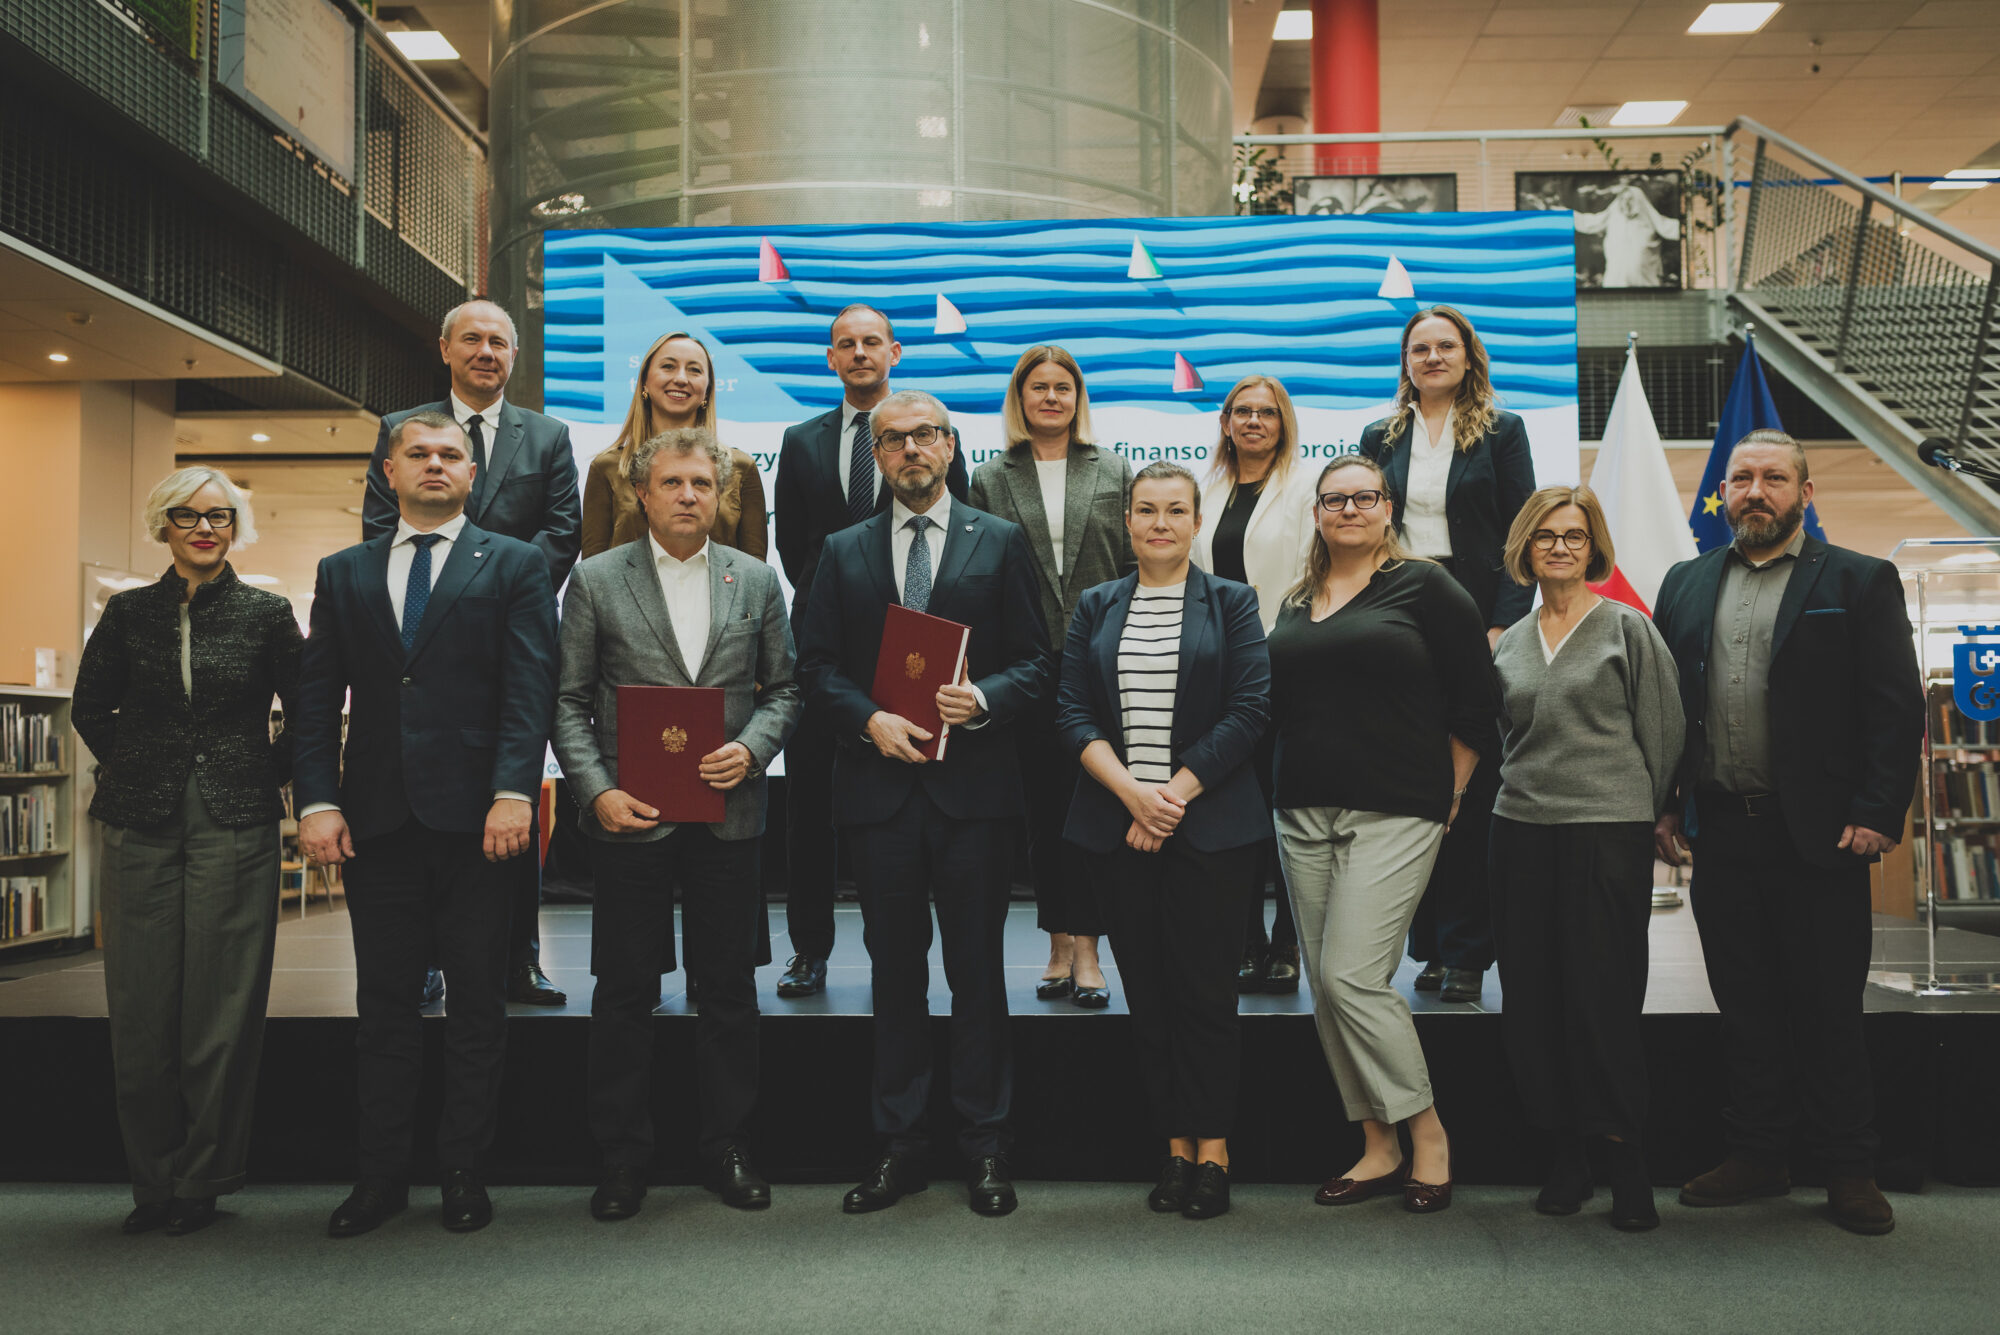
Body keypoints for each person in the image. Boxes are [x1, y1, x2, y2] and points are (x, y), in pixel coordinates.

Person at [1652, 429, 1922, 1236]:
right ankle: (1758, 1154)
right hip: (1722, 834)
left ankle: (1849, 1166)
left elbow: (1893, 705)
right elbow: (1672, 710)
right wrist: (1667, 804)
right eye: (1742, 479)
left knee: (1828, 1005)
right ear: (1723, 493)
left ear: (1807, 493)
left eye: (1774, 477)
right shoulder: (1686, 582)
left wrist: (1878, 811)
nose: (1755, 491)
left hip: (1823, 837)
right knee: (1745, 1003)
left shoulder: (1858, 578)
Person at [297, 411, 559, 1237]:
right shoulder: (342, 573)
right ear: (389, 469)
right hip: (374, 821)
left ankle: (462, 1169)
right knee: (384, 1006)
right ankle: (379, 1177)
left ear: (473, 477)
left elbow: (529, 690)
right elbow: (313, 701)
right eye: (420, 454)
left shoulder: (516, 563)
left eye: (452, 455)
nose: (437, 465)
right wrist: (316, 798)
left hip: (483, 821)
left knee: (479, 1003)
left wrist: (516, 790)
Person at [796, 389, 1049, 1217]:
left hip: (973, 794)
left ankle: (987, 1145)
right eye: (894, 439)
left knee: (978, 974)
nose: (911, 449)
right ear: (878, 454)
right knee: (894, 976)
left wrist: (985, 699)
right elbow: (816, 666)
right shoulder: (841, 549)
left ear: (949, 445)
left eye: (926, 435)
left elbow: (1040, 662)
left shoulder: (1001, 541)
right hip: (879, 794)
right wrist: (868, 719)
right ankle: (899, 1146)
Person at [552, 427, 801, 1222]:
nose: (690, 494)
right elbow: (567, 700)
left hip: (729, 813)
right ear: (641, 492)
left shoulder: (756, 580)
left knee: (729, 990)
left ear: (722, 494)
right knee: (624, 990)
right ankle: (622, 1156)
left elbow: (788, 691)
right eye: (674, 483)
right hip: (632, 817)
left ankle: (727, 1145)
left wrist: (752, 749)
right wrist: (595, 793)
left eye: (703, 482)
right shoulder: (594, 580)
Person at [72, 468, 302, 1237]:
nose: (204, 528)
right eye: (187, 516)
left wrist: (258, 773)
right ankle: (153, 1182)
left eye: (219, 516)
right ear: (161, 525)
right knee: (139, 1007)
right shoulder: (128, 611)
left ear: (236, 526)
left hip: (235, 822)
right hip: (139, 819)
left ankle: (203, 1178)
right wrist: (136, 761)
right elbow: (89, 705)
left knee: (223, 1007)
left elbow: (303, 716)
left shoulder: (268, 614)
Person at [1268, 455, 1496, 1215]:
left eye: (1365, 497)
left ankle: (1428, 1133)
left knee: (1353, 978)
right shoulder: (1298, 599)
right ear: (1318, 513)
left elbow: (1476, 702)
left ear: (1388, 508)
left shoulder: (1427, 586)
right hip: (1301, 811)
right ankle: (1376, 1143)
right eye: (1335, 499)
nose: (1350, 509)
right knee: (1326, 993)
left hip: (1397, 808)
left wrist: (1452, 791)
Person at [1056, 462, 1270, 1219]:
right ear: (1127, 522)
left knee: (1206, 995)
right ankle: (1174, 1148)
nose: (1159, 523)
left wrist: (1170, 796)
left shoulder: (1233, 602)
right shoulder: (1096, 603)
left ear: (1196, 519)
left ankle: (1215, 1152)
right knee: (1148, 995)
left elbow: (1250, 710)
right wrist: (1132, 797)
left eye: (1175, 510)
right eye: (1146, 510)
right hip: (1119, 828)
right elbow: (1072, 712)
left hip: (1208, 828)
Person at [362, 297, 580, 1007]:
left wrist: (492, 588)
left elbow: (562, 531)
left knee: (511, 798)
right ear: (446, 349)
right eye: (473, 340)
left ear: (513, 356)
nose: (486, 352)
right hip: (422, 646)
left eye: (499, 342)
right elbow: (377, 527)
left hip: (512, 641)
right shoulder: (402, 430)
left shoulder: (546, 436)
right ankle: (426, 959)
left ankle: (520, 958)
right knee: (423, 807)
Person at [1488, 485, 1684, 1232]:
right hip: (1520, 829)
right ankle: (1564, 1151)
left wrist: (1650, 810)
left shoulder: (1626, 628)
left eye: (1574, 535)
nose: (1561, 547)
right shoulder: (1510, 639)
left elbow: (1662, 732)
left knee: (1601, 999)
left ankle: (1624, 1156)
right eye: (1546, 536)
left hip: (1606, 831)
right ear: (1526, 548)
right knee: (1534, 1000)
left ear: (1592, 544)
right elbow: (1508, 737)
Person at [771, 304, 971, 1000]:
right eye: (845, 344)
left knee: (917, 804)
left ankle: (930, 951)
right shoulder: (799, 441)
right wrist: (844, 616)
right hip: (830, 651)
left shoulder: (934, 430)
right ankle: (809, 948)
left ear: (895, 352)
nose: (859, 353)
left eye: (871, 343)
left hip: (921, 648)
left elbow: (955, 534)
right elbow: (795, 548)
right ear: (831, 359)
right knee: (808, 806)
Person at [1360, 304, 1536, 1004]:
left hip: (1477, 617)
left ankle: (1468, 950)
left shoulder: (1503, 430)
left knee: (1471, 790)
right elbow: (1361, 529)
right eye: (1419, 348)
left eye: (1445, 346)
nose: (1432, 357)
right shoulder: (1379, 433)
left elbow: (1522, 532)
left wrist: (1499, 626)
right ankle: (1427, 946)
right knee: (1411, 790)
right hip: (1402, 612)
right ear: (1405, 361)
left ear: (1469, 356)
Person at [968, 345, 1134, 1008]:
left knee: (1091, 807)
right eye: (1038, 387)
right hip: (1027, 666)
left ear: (1077, 396)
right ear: (1020, 397)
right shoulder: (988, 477)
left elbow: (1131, 567)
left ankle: (1091, 948)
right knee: (1042, 812)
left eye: (1062, 386)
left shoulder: (1116, 469)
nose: (1051, 397)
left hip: (1100, 661)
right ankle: (1058, 942)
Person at [1191, 374, 1321, 995]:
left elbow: (1313, 578)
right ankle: (1244, 940)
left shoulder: (1305, 489)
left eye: (1266, 412)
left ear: (1283, 422)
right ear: (1225, 422)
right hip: (1220, 670)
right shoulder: (1206, 489)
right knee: (1233, 810)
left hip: (1285, 666)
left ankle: (1288, 941)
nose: (1253, 422)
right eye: (1241, 411)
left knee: (1285, 811)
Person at [579, 331, 768, 560]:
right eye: (668, 366)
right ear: (644, 382)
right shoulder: (608, 467)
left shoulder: (740, 467)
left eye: (694, 370)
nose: (681, 378)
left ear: (707, 390)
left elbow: (755, 573)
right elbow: (592, 572)